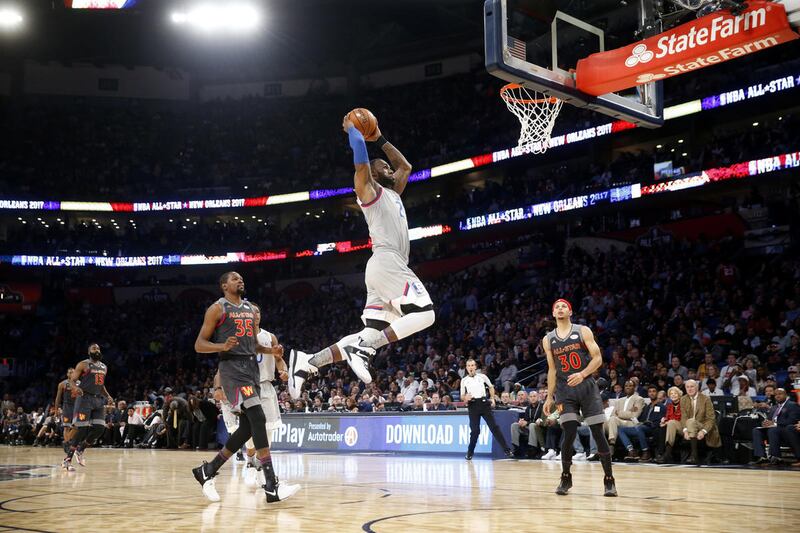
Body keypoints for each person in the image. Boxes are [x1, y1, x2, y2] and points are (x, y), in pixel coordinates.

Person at [288, 116, 435, 397]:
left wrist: (379, 137)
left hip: (384, 267)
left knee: (370, 332)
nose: (389, 168)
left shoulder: (393, 192)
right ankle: (364, 350)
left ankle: (308, 362)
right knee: (425, 314)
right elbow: (362, 164)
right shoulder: (369, 190)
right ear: (374, 175)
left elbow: (406, 166)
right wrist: (353, 131)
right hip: (387, 261)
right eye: (383, 166)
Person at [191, 271, 299, 504]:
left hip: (251, 371)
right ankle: (271, 484)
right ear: (224, 286)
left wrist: (270, 351)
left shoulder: (249, 309)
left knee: (247, 428)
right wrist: (221, 346)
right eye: (234, 278)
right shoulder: (217, 309)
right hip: (233, 370)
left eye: (241, 278)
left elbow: (252, 345)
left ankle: (207, 470)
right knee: (258, 417)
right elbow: (199, 345)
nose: (240, 280)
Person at [543, 299, 616, 497]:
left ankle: (609, 480)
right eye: (556, 307)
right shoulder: (548, 339)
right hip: (564, 391)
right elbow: (552, 369)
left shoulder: (583, 331)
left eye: (564, 306)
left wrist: (583, 374)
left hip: (587, 388)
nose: (560, 309)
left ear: (570, 311)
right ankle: (565, 477)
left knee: (598, 433)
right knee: (569, 432)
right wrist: (549, 396)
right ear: (553, 313)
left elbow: (598, 358)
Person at [63, 344, 113, 471]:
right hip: (85, 398)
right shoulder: (83, 364)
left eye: (98, 348)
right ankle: (67, 460)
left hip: (98, 399)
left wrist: (108, 396)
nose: (97, 350)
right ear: (89, 352)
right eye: (94, 348)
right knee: (82, 429)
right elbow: (72, 380)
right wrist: (75, 388)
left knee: (100, 428)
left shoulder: (104, 367)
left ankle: (80, 449)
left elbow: (101, 385)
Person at [460, 359, 513, 460]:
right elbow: (462, 396)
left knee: (494, 427)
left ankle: (507, 450)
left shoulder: (482, 376)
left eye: (472, 365)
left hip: (484, 403)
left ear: (475, 367)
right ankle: (469, 453)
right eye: (469, 366)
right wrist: (465, 397)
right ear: (466, 368)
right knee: (475, 431)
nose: (471, 367)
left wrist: (492, 398)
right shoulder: (464, 380)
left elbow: (491, 387)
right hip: (473, 405)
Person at [749, 388, 800, 465]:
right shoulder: (774, 407)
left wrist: (775, 423)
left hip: (785, 430)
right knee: (756, 430)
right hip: (774, 429)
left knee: (773, 430)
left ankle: (776, 457)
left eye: (780, 394)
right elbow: (770, 420)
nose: (777, 396)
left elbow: (792, 420)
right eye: (776, 395)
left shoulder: (792, 405)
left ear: (786, 395)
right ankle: (762, 457)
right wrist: (765, 423)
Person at [679, 379, 721, 465]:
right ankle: (694, 456)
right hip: (690, 426)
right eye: (687, 387)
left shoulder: (706, 399)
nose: (689, 389)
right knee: (689, 422)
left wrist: (703, 431)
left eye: (692, 386)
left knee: (691, 421)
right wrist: (685, 430)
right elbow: (683, 417)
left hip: (702, 425)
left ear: (697, 387)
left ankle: (694, 455)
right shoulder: (683, 399)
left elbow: (711, 419)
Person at [53, 367, 78, 458]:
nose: (72, 373)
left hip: (77, 407)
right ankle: (67, 444)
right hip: (67, 407)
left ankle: (67, 442)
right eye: (70, 372)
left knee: (77, 427)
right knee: (66, 427)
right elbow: (58, 398)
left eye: (73, 372)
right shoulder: (62, 384)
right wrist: (56, 410)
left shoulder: (80, 383)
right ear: (67, 374)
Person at [511, 391, 544, 458]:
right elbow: (526, 419)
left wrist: (527, 423)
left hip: (540, 427)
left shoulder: (542, 406)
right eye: (531, 397)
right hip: (529, 427)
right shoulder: (528, 408)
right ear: (529, 398)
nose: (532, 398)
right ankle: (516, 448)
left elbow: (541, 420)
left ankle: (532, 449)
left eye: (534, 396)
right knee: (514, 425)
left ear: (538, 397)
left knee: (532, 425)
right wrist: (522, 422)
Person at [655, 386, 683, 463]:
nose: (673, 395)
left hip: (682, 426)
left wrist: (667, 422)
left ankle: (666, 454)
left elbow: (679, 418)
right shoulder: (669, 406)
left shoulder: (683, 404)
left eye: (675, 393)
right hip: (671, 425)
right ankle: (661, 453)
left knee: (670, 423)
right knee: (661, 427)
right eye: (671, 394)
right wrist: (664, 420)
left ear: (679, 394)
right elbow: (668, 417)